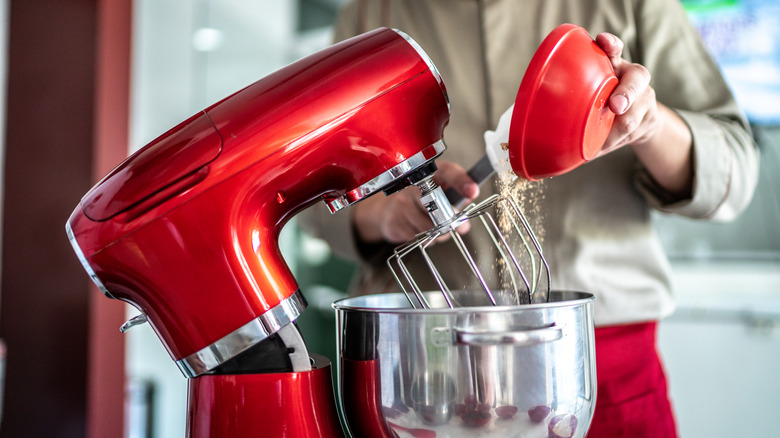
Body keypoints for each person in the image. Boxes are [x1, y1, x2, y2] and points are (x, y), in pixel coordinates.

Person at [299, 0, 759, 437]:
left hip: (599, 368)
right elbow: (311, 200)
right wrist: (384, 214)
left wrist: (650, 125)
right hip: (423, 375)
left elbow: (735, 171)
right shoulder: (372, 13)